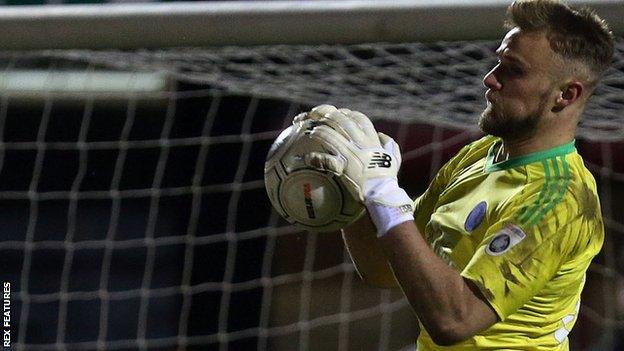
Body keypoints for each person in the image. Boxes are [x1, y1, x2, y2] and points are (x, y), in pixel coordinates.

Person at [300, 0, 614, 349]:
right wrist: (355, 190)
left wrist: (384, 194)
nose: (490, 78)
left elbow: (455, 321)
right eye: (498, 61)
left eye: (514, 70)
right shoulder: (479, 155)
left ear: (565, 95)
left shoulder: (558, 200)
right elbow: (384, 270)